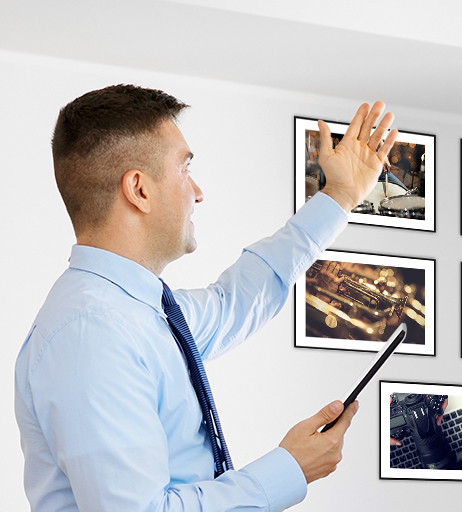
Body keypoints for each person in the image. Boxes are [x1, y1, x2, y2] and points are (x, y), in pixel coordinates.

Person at [14, 84, 398, 511]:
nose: (197, 191)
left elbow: (238, 300)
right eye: (184, 168)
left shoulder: (143, 312)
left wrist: (339, 196)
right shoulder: (91, 332)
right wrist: (289, 468)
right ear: (139, 189)